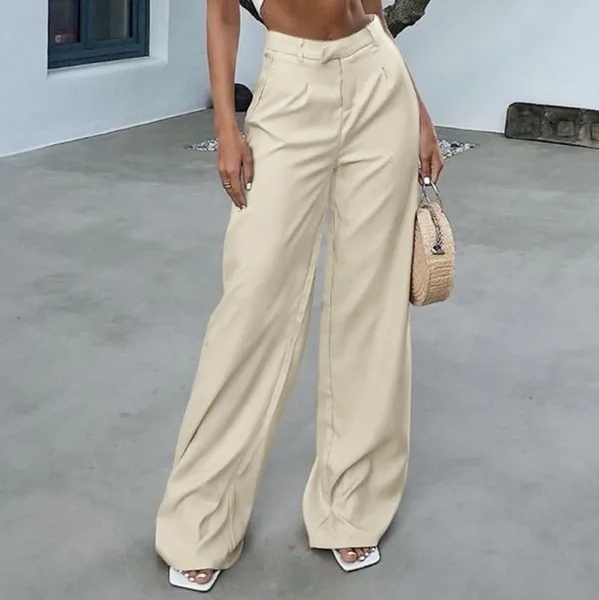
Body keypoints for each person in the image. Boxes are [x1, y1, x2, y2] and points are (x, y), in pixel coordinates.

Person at [156, 0, 444, 591]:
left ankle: (352, 505)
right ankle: (199, 522)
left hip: (377, 79)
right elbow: (221, 14)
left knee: (371, 306)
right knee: (252, 305)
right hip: (291, 84)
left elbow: (371, 10)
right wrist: (226, 129)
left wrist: (416, 109)